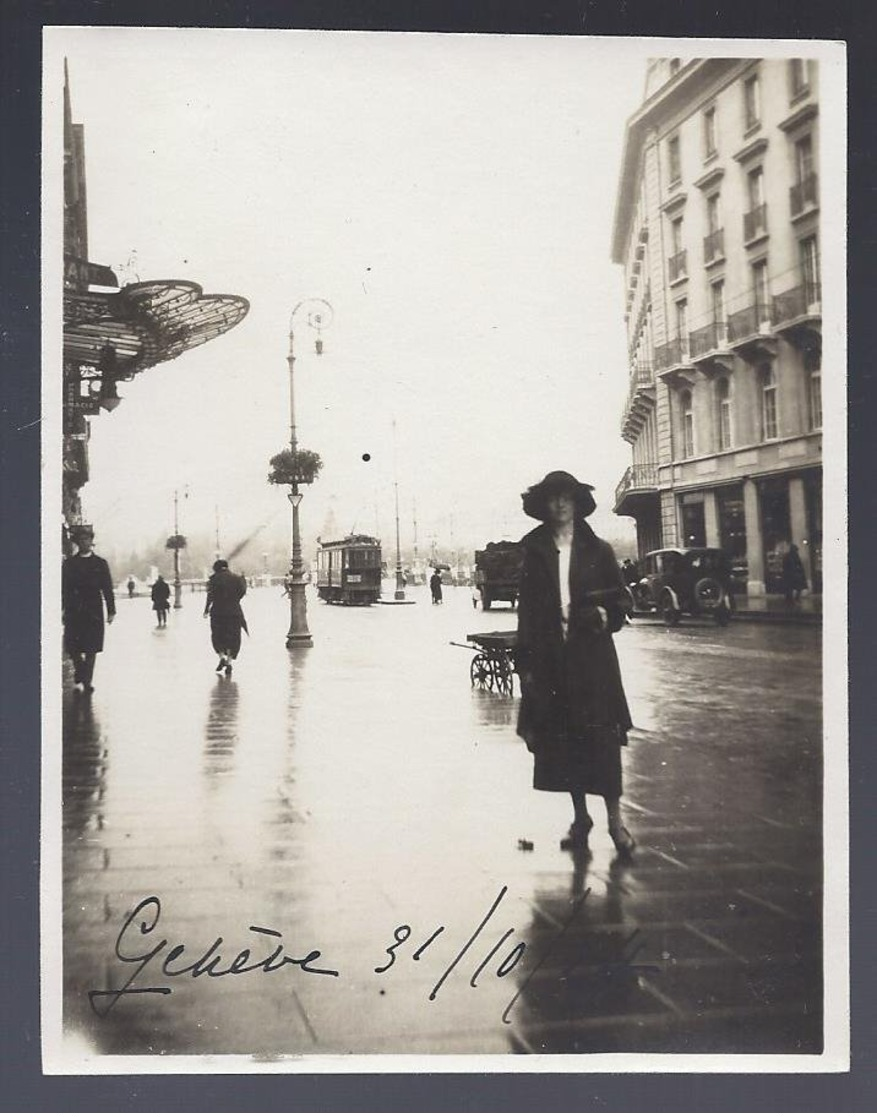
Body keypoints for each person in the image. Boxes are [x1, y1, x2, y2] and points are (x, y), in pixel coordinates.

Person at [515, 470, 635, 856]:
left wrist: (603, 615)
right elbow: (528, 613)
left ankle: (616, 823)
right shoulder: (533, 551)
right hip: (553, 663)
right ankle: (581, 818)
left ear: (577, 503)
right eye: (553, 498)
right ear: (544, 505)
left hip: (593, 663)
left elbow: (621, 603)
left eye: (567, 497)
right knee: (567, 744)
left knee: (602, 743)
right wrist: (526, 665)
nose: (561, 504)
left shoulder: (599, 550)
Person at [62, 525, 115, 693]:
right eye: (82, 540)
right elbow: (64, 588)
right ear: (77, 543)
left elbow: (107, 588)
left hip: (93, 610)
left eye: (88, 539)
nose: (85, 543)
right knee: (73, 646)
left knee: (92, 647)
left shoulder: (100, 563)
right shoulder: (69, 564)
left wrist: (111, 610)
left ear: (92, 541)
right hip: (74, 610)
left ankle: (87, 681)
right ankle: (81, 671)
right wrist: (63, 609)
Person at [203, 559, 248, 676]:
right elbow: (242, 591)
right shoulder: (236, 578)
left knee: (218, 636)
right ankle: (229, 662)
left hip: (217, 612)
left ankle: (221, 657)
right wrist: (234, 600)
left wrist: (206, 610)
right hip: (234, 612)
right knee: (232, 637)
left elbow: (210, 596)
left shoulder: (213, 579)